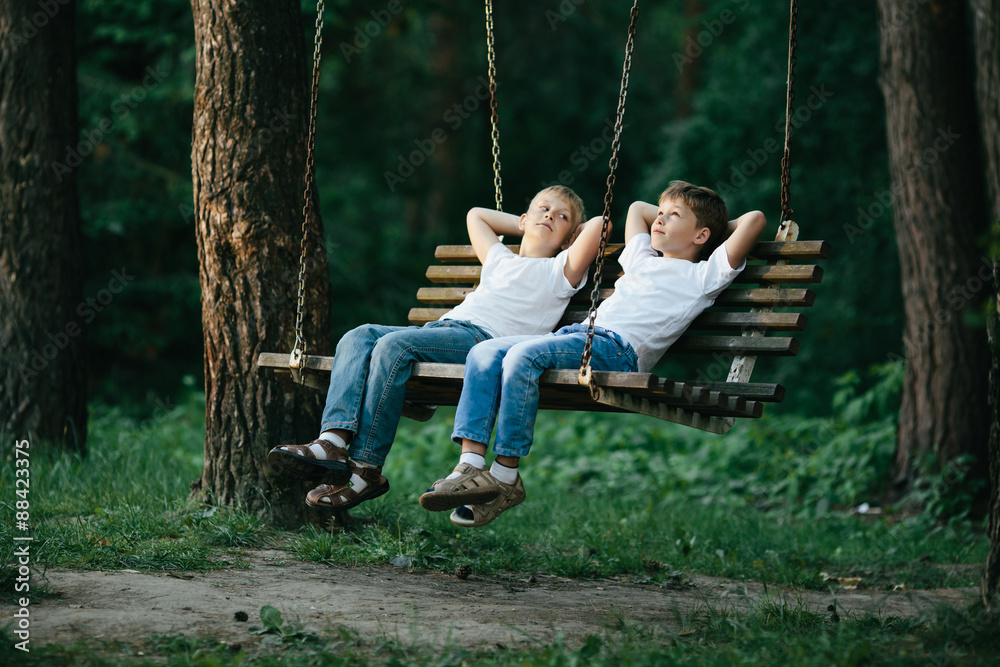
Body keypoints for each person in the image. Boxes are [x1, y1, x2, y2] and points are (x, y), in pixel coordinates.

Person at [418, 180, 767, 527]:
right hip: (576, 335)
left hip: (615, 349)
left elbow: (754, 219)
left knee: (523, 357)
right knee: (484, 353)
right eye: (660, 214)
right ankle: (471, 466)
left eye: (673, 216)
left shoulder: (705, 275)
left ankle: (506, 476)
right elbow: (637, 210)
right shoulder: (641, 258)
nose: (658, 220)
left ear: (703, 236)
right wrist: (679, 216)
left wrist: (717, 227)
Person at [268, 185, 607, 512]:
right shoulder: (500, 257)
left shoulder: (561, 271)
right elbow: (477, 215)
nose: (549, 216)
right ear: (521, 219)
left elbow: (599, 224)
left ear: (571, 236)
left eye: (561, 217)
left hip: (484, 343)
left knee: (393, 346)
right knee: (357, 336)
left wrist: (564, 228)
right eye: (542, 209)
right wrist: (525, 222)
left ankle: (366, 468)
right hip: (445, 330)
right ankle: (333, 441)